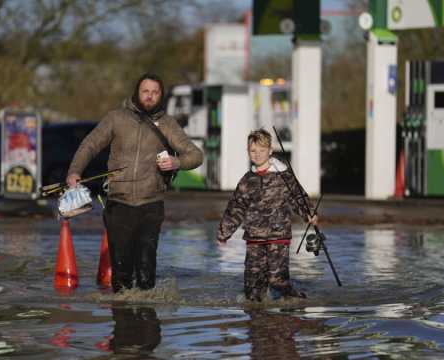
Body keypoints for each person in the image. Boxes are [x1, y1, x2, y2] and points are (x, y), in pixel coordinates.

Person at [66, 73, 203, 293]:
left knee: (146, 270)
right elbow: (89, 145)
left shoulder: (167, 124)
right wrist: (74, 171)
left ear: (161, 96)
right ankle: (123, 321)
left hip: (151, 204)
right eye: (145, 91)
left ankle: (147, 321)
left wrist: (177, 162)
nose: (149, 96)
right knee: (121, 273)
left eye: (155, 92)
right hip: (119, 204)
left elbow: (196, 155)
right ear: (137, 93)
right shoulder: (116, 118)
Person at [217, 129, 317, 302]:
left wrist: (309, 213)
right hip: (254, 237)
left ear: (270, 150)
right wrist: (224, 233)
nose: (257, 154)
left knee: (277, 280)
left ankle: (297, 301)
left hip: (278, 236)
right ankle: (258, 321)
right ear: (248, 151)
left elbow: (298, 197)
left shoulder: (284, 176)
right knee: (252, 288)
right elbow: (235, 208)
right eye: (253, 151)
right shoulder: (247, 180)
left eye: (261, 150)